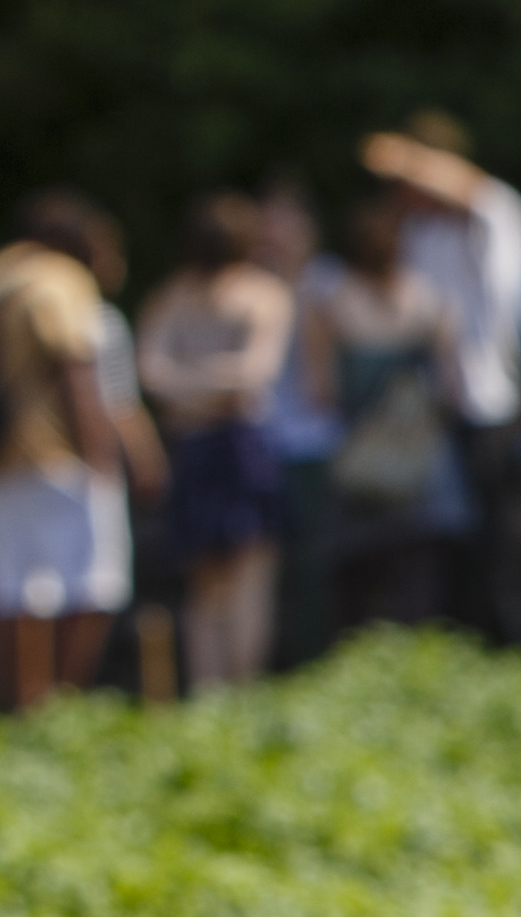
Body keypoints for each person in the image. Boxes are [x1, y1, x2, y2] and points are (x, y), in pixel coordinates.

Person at [0, 193, 164, 709]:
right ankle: (56, 705)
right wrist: (102, 455)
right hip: (52, 455)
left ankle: (20, 704)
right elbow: (76, 368)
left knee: (12, 590)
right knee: (84, 584)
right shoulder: (60, 280)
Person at [360, 116, 521, 639]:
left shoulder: (494, 210)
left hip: (488, 400)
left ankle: (520, 642)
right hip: (435, 404)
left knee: (503, 538)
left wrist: (400, 155)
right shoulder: (420, 231)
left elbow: (469, 191)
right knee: (444, 540)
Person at [136, 194, 297, 691]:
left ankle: (215, 692)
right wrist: (220, 390)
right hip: (233, 441)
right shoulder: (262, 294)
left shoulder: (175, 298)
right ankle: (232, 691)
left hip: (208, 442)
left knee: (216, 585)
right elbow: (158, 374)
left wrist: (188, 390)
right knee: (237, 580)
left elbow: (246, 375)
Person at [301, 187, 470, 639]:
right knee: (419, 595)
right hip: (422, 469)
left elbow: (320, 392)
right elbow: (452, 388)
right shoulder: (430, 301)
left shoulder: (331, 305)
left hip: (359, 468)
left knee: (355, 601)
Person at [247, 180, 347, 668]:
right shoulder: (248, 281)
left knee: (311, 560)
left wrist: (295, 288)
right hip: (260, 438)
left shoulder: (325, 281)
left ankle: (310, 657)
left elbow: (322, 379)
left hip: (310, 440)